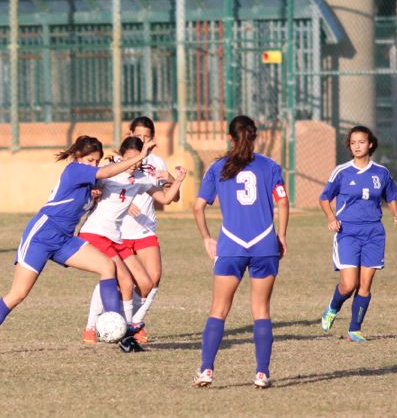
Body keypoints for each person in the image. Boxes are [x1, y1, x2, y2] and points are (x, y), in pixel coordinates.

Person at [0, 135, 156, 356]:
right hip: (42, 235)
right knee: (18, 294)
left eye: (96, 160)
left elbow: (107, 177)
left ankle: (119, 331)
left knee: (107, 267)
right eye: (90, 160)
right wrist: (140, 156)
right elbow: (105, 172)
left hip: (64, 239)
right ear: (78, 157)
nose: (93, 165)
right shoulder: (74, 169)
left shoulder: (89, 182)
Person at [192, 115, 289, 389]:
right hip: (264, 244)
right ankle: (261, 373)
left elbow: (198, 207)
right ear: (255, 137)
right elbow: (282, 202)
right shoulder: (269, 166)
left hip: (231, 244)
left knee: (219, 310)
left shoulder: (217, 167)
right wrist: (280, 235)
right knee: (261, 310)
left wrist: (207, 239)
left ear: (230, 138)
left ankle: (206, 370)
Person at [79, 136, 186, 344]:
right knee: (126, 282)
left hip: (115, 238)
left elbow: (165, 198)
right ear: (121, 156)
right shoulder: (109, 174)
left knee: (145, 283)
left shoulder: (141, 179)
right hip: (96, 233)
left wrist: (179, 180)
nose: (134, 164)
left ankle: (119, 322)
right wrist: (94, 192)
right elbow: (89, 186)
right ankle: (121, 333)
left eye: (138, 159)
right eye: (130, 158)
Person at [319, 125, 397, 343]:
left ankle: (354, 329)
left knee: (365, 285)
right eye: (353, 142)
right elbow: (324, 198)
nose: (357, 146)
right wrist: (331, 218)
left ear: (370, 144)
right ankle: (332, 308)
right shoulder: (342, 171)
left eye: (361, 142)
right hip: (347, 231)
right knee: (349, 284)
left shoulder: (381, 172)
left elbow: (391, 196)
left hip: (373, 232)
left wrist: (396, 215)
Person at [120, 116, 176, 343]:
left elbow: (170, 198)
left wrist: (173, 179)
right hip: (121, 231)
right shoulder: (119, 159)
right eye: (138, 136)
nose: (142, 140)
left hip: (145, 229)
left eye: (147, 137)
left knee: (153, 279)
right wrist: (125, 203)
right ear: (129, 133)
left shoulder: (158, 163)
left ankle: (136, 323)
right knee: (123, 282)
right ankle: (93, 325)